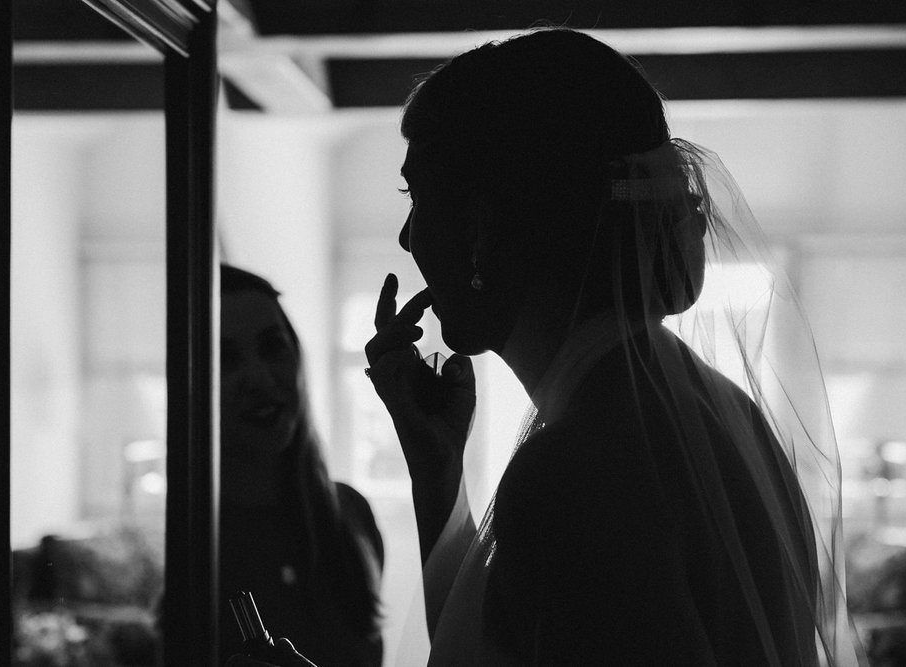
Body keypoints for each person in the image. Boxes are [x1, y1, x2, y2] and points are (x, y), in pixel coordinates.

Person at [254, 27, 864, 665]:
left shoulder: (575, 467)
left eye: (419, 197)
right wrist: (437, 472)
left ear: (483, 223)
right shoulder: (710, 408)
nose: (408, 239)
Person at [220, 264, 384, 667]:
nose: (258, 377)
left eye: (272, 346)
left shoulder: (352, 513)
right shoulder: (195, 542)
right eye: (226, 359)